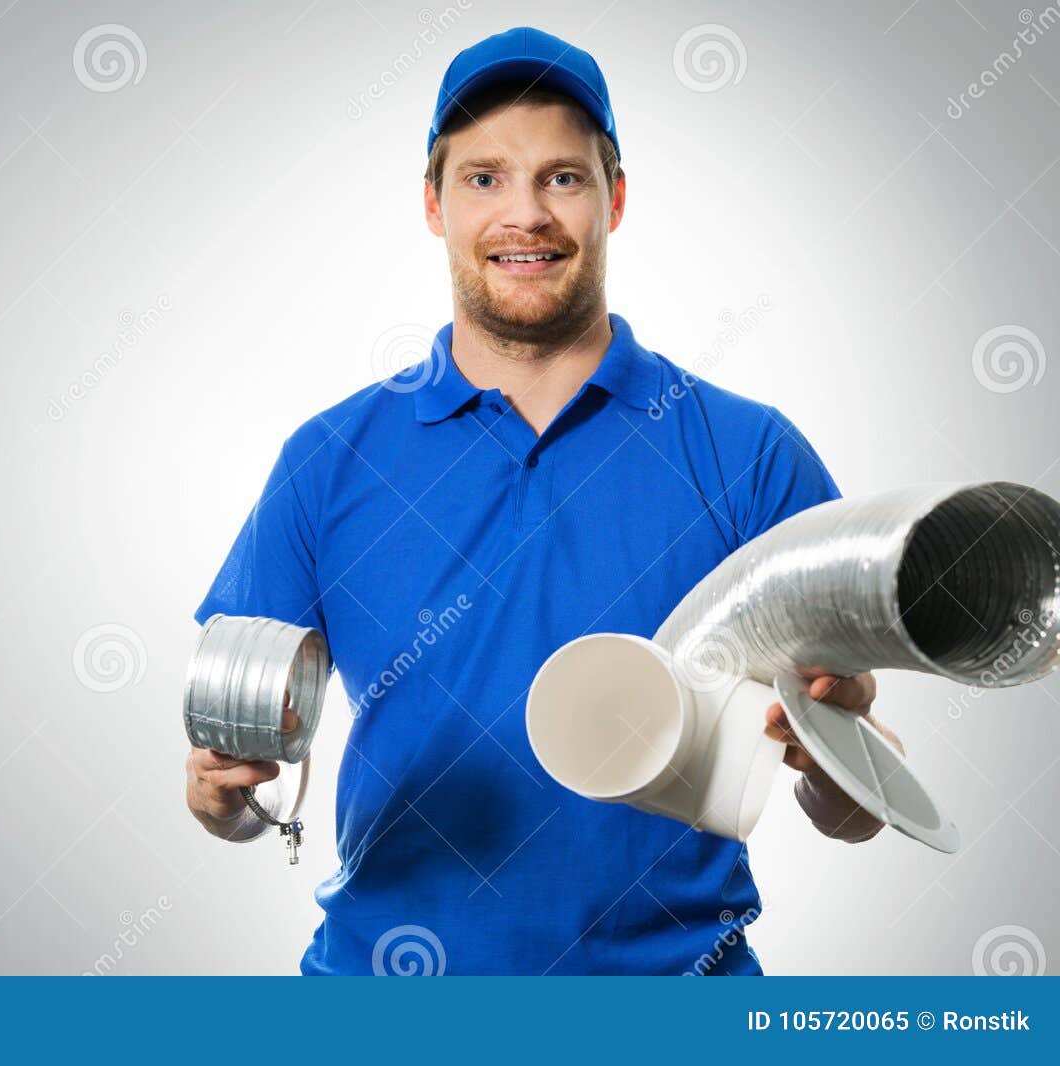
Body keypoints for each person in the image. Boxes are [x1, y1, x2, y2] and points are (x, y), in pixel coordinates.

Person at [185, 25, 900, 976]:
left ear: (617, 198)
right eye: (484, 178)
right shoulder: (328, 462)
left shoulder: (749, 455)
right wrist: (224, 800)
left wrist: (833, 747)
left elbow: (853, 818)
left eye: (562, 177)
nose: (525, 214)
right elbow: (229, 781)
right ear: (434, 205)